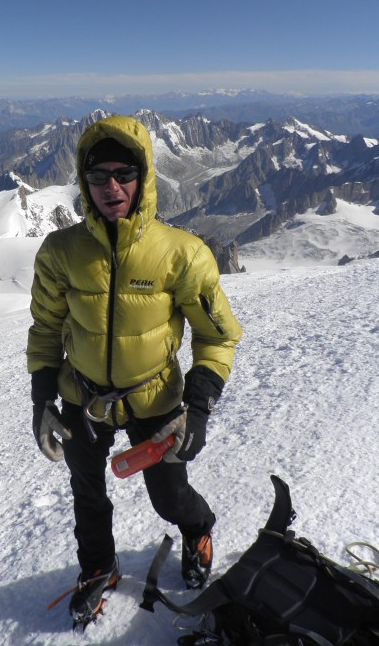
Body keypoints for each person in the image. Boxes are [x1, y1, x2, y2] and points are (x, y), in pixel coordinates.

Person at [27, 115, 243, 628]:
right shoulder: (61, 252)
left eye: (124, 173)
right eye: (98, 176)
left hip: (157, 402)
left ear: (143, 177)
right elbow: (46, 328)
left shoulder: (181, 254)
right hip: (82, 397)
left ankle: (197, 528)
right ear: (84, 182)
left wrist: (199, 405)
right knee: (88, 493)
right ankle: (98, 566)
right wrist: (41, 399)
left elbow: (218, 335)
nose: (112, 187)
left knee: (170, 497)